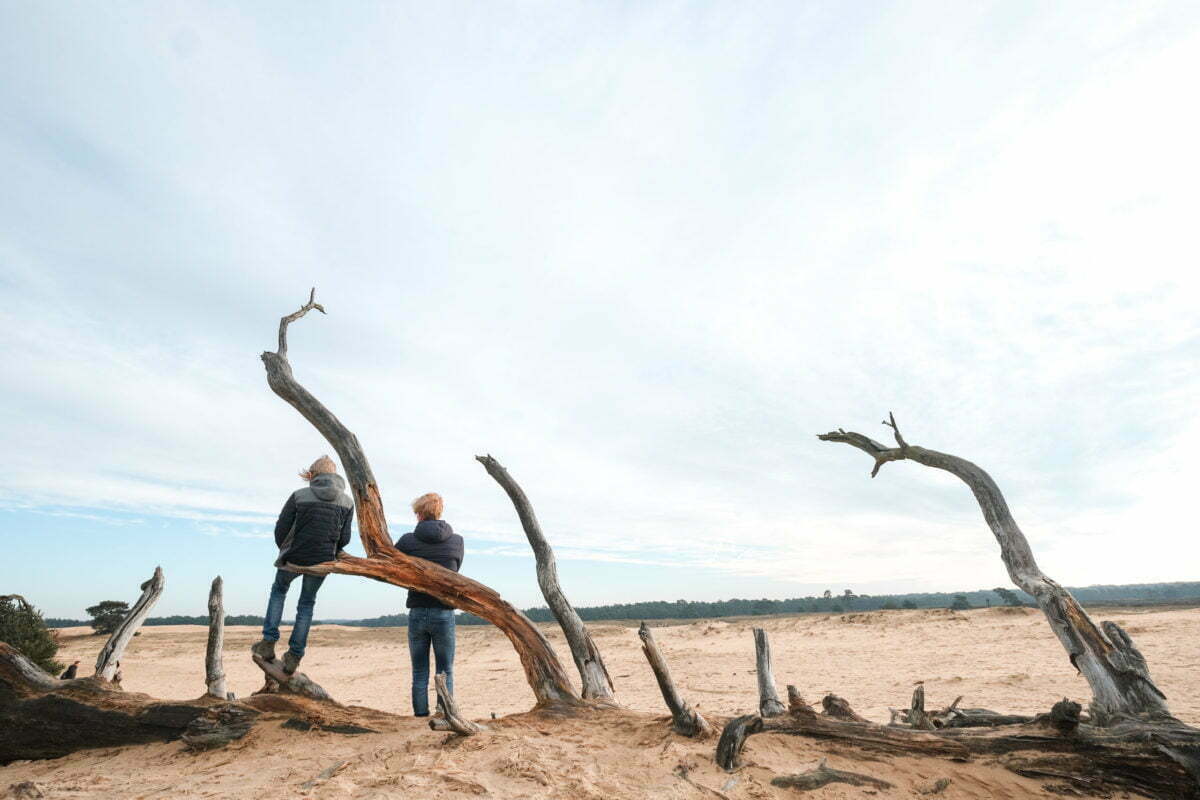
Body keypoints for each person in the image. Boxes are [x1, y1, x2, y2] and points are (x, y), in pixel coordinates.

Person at [251, 455, 354, 675]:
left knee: (278, 592)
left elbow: (281, 528)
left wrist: (285, 549)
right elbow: (345, 538)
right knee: (306, 605)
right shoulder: (347, 501)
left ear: (312, 474)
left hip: (293, 557)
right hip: (323, 561)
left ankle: (268, 642)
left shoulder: (299, 496)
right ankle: (294, 657)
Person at [397, 492, 464, 717]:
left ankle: (420, 716)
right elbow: (456, 569)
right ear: (439, 511)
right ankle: (445, 714)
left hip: (417, 610)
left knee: (419, 671)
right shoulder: (457, 541)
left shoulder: (407, 541)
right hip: (444, 612)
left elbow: (392, 564)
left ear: (419, 514)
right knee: (446, 670)